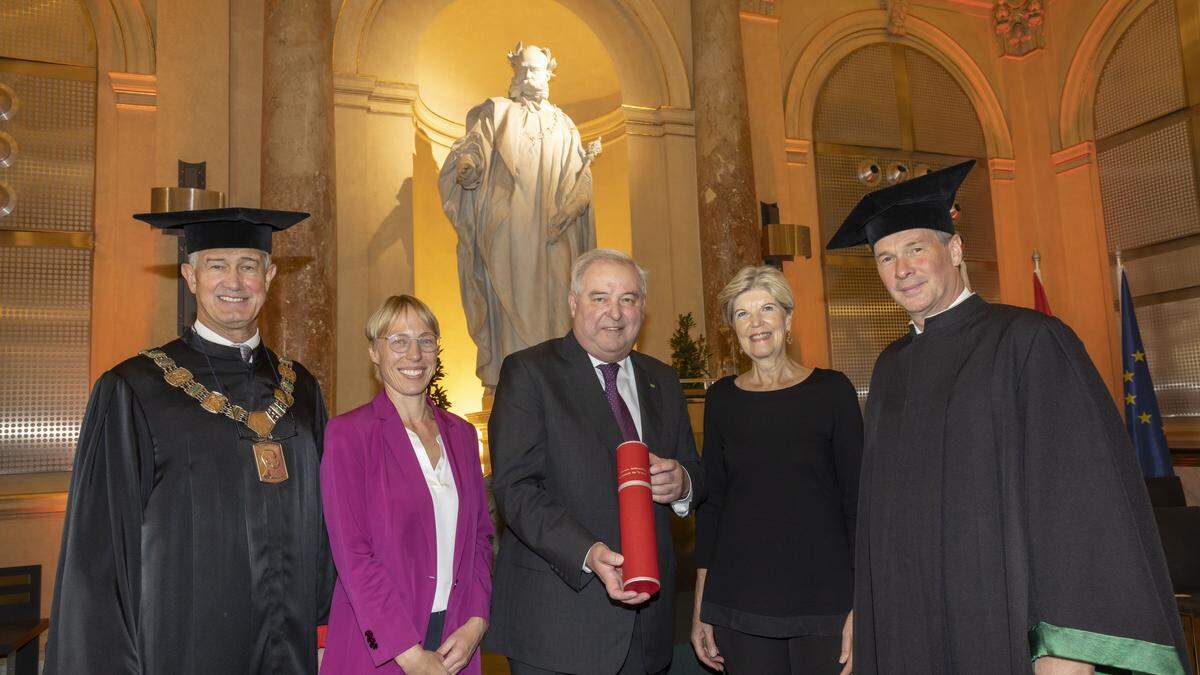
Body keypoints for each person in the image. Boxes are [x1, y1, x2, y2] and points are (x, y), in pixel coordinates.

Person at [827, 160, 1189, 674]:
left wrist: (1066, 652)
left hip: (999, 623)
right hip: (908, 624)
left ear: (953, 249)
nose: (901, 269)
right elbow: (879, 514)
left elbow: (1079, 507)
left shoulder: (1029, 342)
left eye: (915, 250)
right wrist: (864, 611)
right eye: (885, 257)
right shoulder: (890, 369)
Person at [45, 208, 335, 674]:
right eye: (217, 265)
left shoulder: (300, 389)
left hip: (290, 650)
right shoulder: (135, 389)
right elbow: (99, 554)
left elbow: (326, 524)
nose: (234, 281)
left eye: (249, 265)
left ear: (270, 275)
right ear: (190, 276)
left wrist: (326, 630)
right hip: (183, 647)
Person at [486, 248, 706, 675]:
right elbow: (515, 488)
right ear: (573, 304)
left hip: (649, 629)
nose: (616, 312)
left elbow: (694, 469)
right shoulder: (530, 372)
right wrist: (587, 553)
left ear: (642, 306)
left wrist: (683, 484)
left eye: (628, 298)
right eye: (599, 297)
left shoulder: (662, 379)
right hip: (559, 626)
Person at [691, 265, 862, 675]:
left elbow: (858, 504)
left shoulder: (833, 391)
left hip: (825, 600)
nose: (757, 323)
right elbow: (711, 506)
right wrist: (701, 606)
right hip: (739, 600)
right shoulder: (722, 400)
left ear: (788, 317)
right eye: (743, 313)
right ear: (733, 328)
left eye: (767, 308)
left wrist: (862, 606)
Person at [319, 295, 493, 675]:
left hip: (455, 640)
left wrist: (476, 622)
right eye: (398, 341)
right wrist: (408, 652)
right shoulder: (349, 435)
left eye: (425, 340)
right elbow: (353, 555)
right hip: (383, 643)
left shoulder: (462, 434)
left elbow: (480, 538)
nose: (414, 354)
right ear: (374, 353)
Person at [438, 41, 600, 389]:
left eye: (536, 69)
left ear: (549, 73)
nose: (529, 76)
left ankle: (563, 385)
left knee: (560, 300)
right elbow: (472, 148)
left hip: (556, 235)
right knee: (508, 306)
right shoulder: (497, 113)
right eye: (523, 69)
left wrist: (569, 209)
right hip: (508, 233)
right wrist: (469, 167)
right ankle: (515, 386)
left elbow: (579, 181)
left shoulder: (564, 125)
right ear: (514, 74)